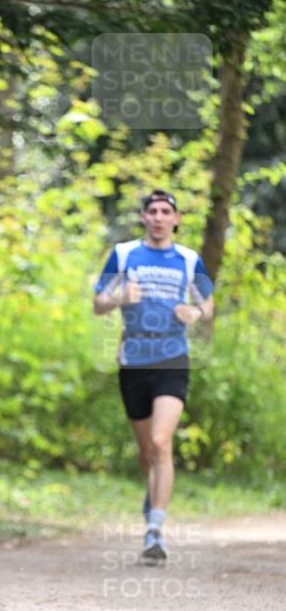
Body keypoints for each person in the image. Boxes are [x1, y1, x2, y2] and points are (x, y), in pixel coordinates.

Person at [93, 190, 214, 561]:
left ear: (176, 219)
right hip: (133, 361)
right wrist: (120, 299)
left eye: (166, 212)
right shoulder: (125, 254)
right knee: (147, 449)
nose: (159, 217)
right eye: (153, 211)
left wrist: (195, 313)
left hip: (173, 360)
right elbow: (98, 303)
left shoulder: (190, 260)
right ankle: (153, 502)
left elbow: (208, 304)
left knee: (162, 442)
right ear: (144, 217)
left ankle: (154, 530)